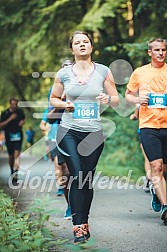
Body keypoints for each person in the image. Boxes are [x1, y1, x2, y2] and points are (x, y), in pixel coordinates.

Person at [50, 31, 119, 244]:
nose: (82, 45)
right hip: (69, 130)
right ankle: (78, 226)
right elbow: (53, 99)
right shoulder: (63, 74)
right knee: (78, 174)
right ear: (72, 49)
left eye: (85, 42)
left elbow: (116, 100)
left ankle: (84, 222)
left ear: (91, 47)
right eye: (77, 43)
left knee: (86, 179)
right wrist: (65, 104)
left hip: (93, 133)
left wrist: (107, 98)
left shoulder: (103, 71)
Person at [125, 38, 167, 224]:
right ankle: (166, 207)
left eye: (163, 50)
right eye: (157, 50)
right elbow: (128, 95)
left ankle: (157, 193)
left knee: (164, 169)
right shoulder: (140, 72)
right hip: (149, 126)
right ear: (149, 52)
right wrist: (137, 100)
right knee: (156, 167)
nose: (161, 53)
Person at [0, 98, 25, 181]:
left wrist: (22, 122)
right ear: (10, 104)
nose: (14, 106)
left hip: (18, 135)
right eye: (13, 104)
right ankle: (12, 170)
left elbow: (23, 119)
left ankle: (16, 173)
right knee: (11, 156)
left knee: (17, 154)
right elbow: (1, 125)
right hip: (9, 136)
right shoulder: (5, 113)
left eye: (16, 104)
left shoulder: (20, 112)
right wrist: (10, 118)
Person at [130, 105, 152, 193]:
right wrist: (134, 116)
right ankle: (150, 180)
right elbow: (136, 115)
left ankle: (151, 179)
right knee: (148, 157)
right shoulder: (141, 102)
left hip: (162, 132)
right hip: (144, 132)